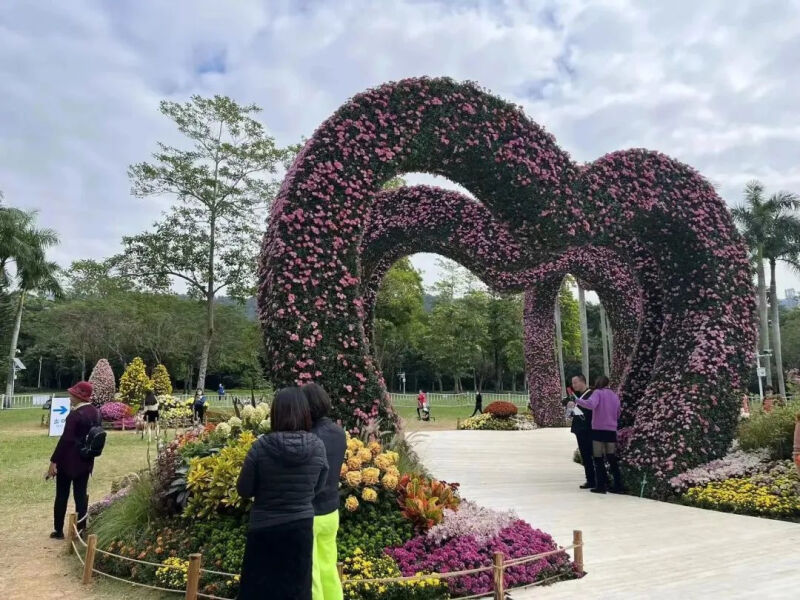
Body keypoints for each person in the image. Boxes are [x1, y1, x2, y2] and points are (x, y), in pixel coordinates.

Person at [236, 387, 328, 600]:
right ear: (305, 412)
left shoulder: (260, 447)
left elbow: (244, 489)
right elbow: (319, 486)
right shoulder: (318, 447)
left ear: (275, 413)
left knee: (258, 590)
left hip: (264, 527)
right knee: (297, 590)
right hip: (301, 527)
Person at [303, 383, 346, 600]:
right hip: (331, 510)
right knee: (328, 567)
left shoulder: (307, 437)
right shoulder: (339, 433)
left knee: (310, 574)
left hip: (310, 511)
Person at [47, 381, 101, 539]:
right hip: (86, 461)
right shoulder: (96, 413)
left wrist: (53, 461)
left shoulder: (75, 415)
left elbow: (66, 440)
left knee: (62, 495)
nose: (70, 397)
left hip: (68, 461)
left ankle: (58, 530)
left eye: (73, 394)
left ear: (79, 396)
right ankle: (81, 530)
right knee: (80, 495)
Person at [576, 375, 624, 494]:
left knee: (598, 458)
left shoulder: (597, 392)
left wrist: (577, 401)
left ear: (598, 383)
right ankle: (618, 486)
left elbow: (591, 405)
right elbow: (618, 412)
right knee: (611, 458)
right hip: (611, 430)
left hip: (598, 429)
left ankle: (601, 486)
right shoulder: (614, 395)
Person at [567, 375, 595, 490]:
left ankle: (594, 480)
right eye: (572, 383)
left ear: (583, 381)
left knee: (590, 455)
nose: (573, 385)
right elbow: (572, 414)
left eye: (575, 382)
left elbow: (589, 411)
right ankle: (590, 479)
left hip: (587, 429)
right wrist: (570, 408)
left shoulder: (591, 394)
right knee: (585, 455)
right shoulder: (578, 396)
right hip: (580, 430)